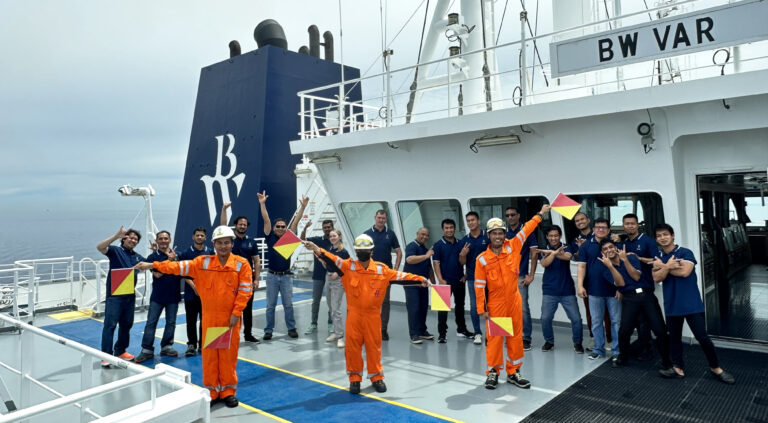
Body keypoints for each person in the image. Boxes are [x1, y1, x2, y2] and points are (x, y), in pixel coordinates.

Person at [135, 225, 253, 408]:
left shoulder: (241, 264)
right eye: (220, 243)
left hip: (231, 319)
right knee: (211, 357)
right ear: (213, 244)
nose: (223, 246)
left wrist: (237, 313)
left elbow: (246, 290)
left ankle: (228, 391)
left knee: (228, 357)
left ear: (232, 243)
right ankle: (213, 391)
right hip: (211, 318)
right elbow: (177, 267)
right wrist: (152, 265)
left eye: (227, 243)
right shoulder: (203, 262)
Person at [303, 235, 429, 394]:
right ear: (356, 251)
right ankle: (354, 379)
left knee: (374, 347)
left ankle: (376, 377)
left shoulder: (381, 269)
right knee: (352, 348)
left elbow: (401, 276)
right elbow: (330, 258)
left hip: (373, 317)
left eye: (365, 249)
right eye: (359, 249)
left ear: (371, 251)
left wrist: (421, 279)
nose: (362, 252)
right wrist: (315, 248)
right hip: (354, 316)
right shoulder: (347, 266)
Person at [475, 204, 551, 390]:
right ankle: (493, 372)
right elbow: (479, 286)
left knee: (515, 338)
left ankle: (513, 372)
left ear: (504, 234)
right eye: (494, 233)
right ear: (489, 235)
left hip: (514, 302)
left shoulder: (514, 245)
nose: (498, 236)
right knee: (495, 339)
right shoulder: (482, 259)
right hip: (496, 304)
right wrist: (481, 309)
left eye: (501, 232)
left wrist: (541, 213)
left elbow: (528, 228)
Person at [652, 224, 735, 384]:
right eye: (659, 236)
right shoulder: (659, 257)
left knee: (702, 337)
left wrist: (663, 267)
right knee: (674, 338)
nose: (662, 238)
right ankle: (678, 368)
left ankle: (716, 368)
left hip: (691, 304)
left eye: (665, 234)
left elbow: (685, 272)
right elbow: (657, 278)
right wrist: (668, 266)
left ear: (672, 235)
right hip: (672, 304)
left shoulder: (685, 252)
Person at [596, 239, 673, 372]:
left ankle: (667, 363)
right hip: (629, 298)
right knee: (624, 331)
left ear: (615, 247)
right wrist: (610, 266)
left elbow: (636, 277)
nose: (609, 250)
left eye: (611, 247)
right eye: (605, 249)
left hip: (646, 296)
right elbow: (621, 284)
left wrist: (625, 260)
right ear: (603, 253)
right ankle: (623, 358)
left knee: (660, 330)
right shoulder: (605, 270)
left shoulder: (630, 257)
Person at [259, 191, 308, 340]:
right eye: (278, 226)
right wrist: (262, 204)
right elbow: (266, 219)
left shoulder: (288, 239)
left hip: (286, 277)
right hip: (272, 276)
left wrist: (303, 207)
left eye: (283, 226)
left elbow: (296, 222)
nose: (280, 228)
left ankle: (291, 328)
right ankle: (268, 330)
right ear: (274, 228)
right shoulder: (270, 237)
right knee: (270, 306)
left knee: (288, 305)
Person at [97, 227, 145, 367]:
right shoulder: (115, 251)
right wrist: (115, 236)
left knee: (126, 325)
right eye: (130, 237)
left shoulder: (136, 256)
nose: (133, 240)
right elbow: (100, 247)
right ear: (124, 238)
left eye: (136, 239)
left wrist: (156, 252)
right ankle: (106, 355)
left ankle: (121, 350)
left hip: (129, 296)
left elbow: (149, 264)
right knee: (110, 325)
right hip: (115, 296)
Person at [577, 217, 621, 360]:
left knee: (616, 321)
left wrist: (621, 288)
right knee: (596, 321)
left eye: (604, 227)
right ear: (593, 228)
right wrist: (580, 285)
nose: (600, 229)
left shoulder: (614, 244)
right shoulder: (585, 246)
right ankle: (598, 349)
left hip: (613, 290)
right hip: (594, 291)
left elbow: (623, 266)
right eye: (598, 227)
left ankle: (617, 350)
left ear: (608, 230)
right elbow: (582, 266)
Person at [135, 230, 182, 363]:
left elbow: (180, 270)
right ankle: (147, 350)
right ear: (156, 241)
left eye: (165, 238)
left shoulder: (177, 256)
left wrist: (174, 259)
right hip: (158, 296)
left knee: (171, 323)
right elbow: (158, 274)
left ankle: (167, 346)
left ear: (170, 240)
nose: (163, 241)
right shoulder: (152, 257)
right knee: (151, 323)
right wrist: (169, 260)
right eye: (160, 239)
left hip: (173, 295)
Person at [615, 213, 657, 359]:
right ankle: (640, 348)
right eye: (627, 224)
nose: (630, 226)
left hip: (645, 286)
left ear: (637, 224)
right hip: (629, 289)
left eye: (633, 223)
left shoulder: (647, 241)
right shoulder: (624, 242)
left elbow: (656, 260)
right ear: (623, 225)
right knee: (633, 323)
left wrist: (638, 258)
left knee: (644, 322)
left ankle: (647, 349)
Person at [537, 225, 583, 353]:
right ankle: (549, 341)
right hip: (549, 291)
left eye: (556, 235)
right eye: (551, 236)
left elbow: (567, 257)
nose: (553, 238)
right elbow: (544, 263)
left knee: (576, 319)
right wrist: (555, 253)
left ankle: (578, 343)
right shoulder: (544, 248)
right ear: (547, 237)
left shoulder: (566, 246)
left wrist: (552, 254)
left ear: (560, 236)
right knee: (545, 318)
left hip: (567, 291)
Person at [220, 202, 262, 343]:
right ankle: (229, 335)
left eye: (244, 224)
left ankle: (248, 334)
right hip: (230, 280)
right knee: (229, 309)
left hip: (247, 281)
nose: (242, 226)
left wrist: (256, 279)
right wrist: (224, 209)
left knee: (247, 309)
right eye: (240, 224)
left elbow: (256, 261)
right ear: (236, 225)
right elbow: (223, 226)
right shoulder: (230, 239)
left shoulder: (251, 242)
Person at [364, 209, 402, 341]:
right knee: (369, 302)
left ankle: (383, 329)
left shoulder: (390, 234)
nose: (381, 220)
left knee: (385, 302)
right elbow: (360, 252)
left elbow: (399, 252)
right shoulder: (367, 234)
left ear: (386, 219)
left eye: (383, 218)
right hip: (370, 274)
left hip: (385, 274)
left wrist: (395, 269)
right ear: (375, 217)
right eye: (379, 217)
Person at [433, 218, 473, 343]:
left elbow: (464, 262)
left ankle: (461, 329)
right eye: (446, 228)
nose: (449, 230)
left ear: (454, 229)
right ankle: (442, 334)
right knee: (442, 308)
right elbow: (436, 264)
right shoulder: (438, 245)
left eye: (451, 228)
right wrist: (440, 279)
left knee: (460, 306)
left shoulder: (461, 243)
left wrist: (465, 275)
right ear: (443, 229)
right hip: (444, 282)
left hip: (459, 281)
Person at [505, 207, 539, 351]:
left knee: (522, 308)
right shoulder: (503, 233)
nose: (510, 217)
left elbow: (534, 253)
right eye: (507, 215)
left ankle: (526, 338)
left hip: (520, 277)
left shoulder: (526, 231)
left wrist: (531, 275)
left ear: (518, 215)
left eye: (513, 214)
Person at [178, 227, 213, 356]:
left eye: (202, 235)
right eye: (197, 235)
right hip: (190, 294)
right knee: (191, 320)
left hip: (206, 294)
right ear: (193, 237)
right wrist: (195, 287)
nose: (199, 237)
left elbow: (212, 273)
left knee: (205, 320)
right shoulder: (186, 253)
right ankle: (191, 344)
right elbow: (183, 272)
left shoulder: (210, 253)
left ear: (205, 238)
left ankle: (203, 344)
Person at [300, 219, 335, 335]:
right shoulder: (317, 240)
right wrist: (305, 228)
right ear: (322, 228)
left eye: (329, 227)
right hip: (318, 275)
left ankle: (331, 323)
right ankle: (313, 323)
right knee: (316, 300)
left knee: (331, 301)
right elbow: (303, 240)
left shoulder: (336, 241)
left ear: (332, 227)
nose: (327, 229)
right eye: (325, 227)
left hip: (332, 275)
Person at [459, 211, 488, 345]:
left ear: (478, 221)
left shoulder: (487, 236)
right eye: (468, 221)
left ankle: (497, 333)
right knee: (475, 306)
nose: (470, 222)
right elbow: (462, 262)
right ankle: (477, 333)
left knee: (496, 304)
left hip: (491, 277)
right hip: (473, 278)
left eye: (473, 220)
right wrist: (463, 254)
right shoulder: (465, 240)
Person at [403, 227, 435, 344]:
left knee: (423, 307)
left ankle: (422, 331)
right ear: (417, 233)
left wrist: (434, 283)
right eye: (422, 234)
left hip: (423, 284)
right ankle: (414, 334)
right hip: (411, 284)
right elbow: (410, 259)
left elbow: (429, 267)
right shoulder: (412, 246)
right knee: (414, 308)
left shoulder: (424, 249)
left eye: (427, 235)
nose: (424, 237)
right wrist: (426, 256)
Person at [323, 229, 349, 348]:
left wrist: (337, 273)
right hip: (328, 278)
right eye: (331, 236)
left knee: (335, 309)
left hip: (338, 281)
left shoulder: (343, 252)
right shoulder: (330, 249)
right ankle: (335, 332)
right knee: (330, 307)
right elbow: (328, 263)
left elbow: (347, 266)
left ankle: (340, 337)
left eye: (334, 236)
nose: (332, 238)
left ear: (339, 237)